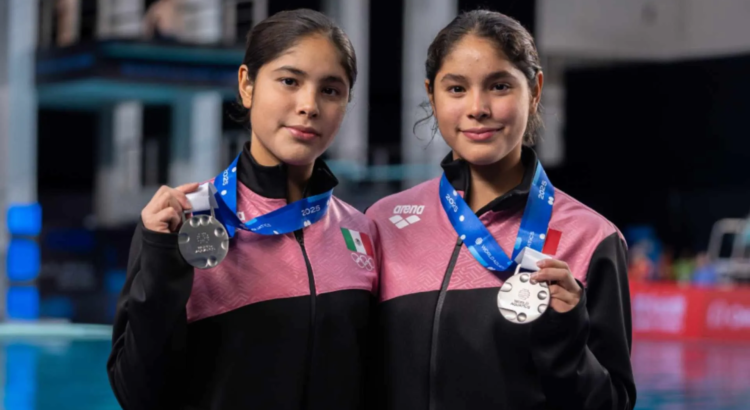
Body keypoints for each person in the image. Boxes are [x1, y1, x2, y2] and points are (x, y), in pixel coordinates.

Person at [108, 9, 378, 410]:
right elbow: (137, 395)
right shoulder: (185, 221)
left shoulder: (360, 231)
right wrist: (162, 262)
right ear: (247, 85)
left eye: (331, 90)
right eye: (289, 81)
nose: (309, 105)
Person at [366, 10, 636, 410]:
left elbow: (611, 403)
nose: (478, 107)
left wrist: (564, 332)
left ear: (535, 89)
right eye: (456, 88)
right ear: (432, 95)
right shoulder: (383, 222)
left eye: (499, 86)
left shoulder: (592, 239)